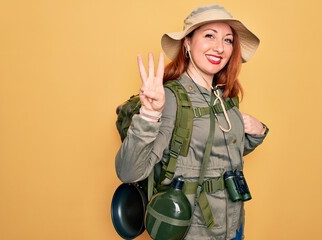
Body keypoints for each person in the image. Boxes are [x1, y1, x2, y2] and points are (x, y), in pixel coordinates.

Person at [115, 4, 268, 240]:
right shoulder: (172, 99)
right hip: (192, 231)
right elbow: (128, 171)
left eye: (228, 40)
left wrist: (257, 132)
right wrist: (148, 114)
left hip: (234, 226)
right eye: (209, 36)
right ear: (187, 43)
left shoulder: (224, 95)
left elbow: (212, 153)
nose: (220, 47)